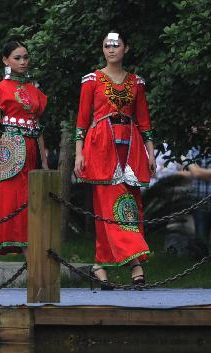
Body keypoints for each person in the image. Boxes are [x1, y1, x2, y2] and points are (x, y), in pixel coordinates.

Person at [75, 31, 155, 288]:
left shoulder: (136, 83)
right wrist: (78, 153)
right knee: (110, 207)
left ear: (126, 49)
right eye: (107, 45)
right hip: (100, 150)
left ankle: (100, 265)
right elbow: (81, 120)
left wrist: (150, 152)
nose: (111, 49)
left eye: (116, 45)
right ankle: (136, 264)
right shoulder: (91, 80)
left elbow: (144, 121)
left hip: (130, 150)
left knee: (131, 204)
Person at [0, 41, 48, 288]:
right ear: (5, 60)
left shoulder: (35, 90)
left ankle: (33, 273)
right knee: (5, 210)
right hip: (9, 156)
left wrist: (45, 163)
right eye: (17, 57)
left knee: (28, 211)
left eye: (26, 57)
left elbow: (38, 130)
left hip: (31, 157)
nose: (23, 61)